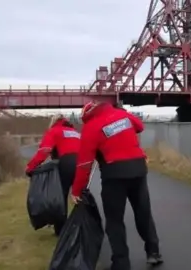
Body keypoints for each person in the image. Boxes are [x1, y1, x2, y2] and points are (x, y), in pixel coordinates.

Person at [70, 101, 163, 270]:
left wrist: (77, 190)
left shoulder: (91, 127)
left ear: (85, 116)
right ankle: (153, 252)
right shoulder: (123, 115)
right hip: (138, 168)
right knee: (143, 212)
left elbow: (84, 164)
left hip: (114, 174)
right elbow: (139, 126)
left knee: (114, 221)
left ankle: (121, 263)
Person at [26, 114, 80, 236]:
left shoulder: (54, 131)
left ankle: (61, 231)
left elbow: (44, 150)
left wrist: (30, 167)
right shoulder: (75, 132)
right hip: (81, 163)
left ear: (54, 122)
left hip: (65, 163)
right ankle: (82, 226)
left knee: (60, 196)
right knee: (80, 196)